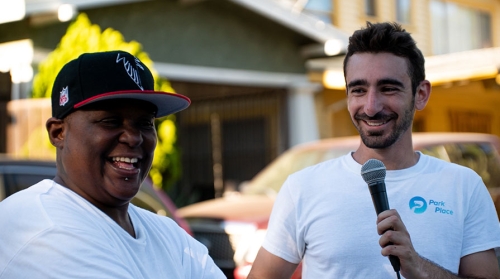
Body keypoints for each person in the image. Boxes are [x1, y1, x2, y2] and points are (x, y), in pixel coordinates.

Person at [248, 22, 500, 279]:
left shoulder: (464, 187)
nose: (370, 107)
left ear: (420, 94)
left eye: (388, 88)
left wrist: (418, 266)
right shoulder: (303, 188)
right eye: (358, 90)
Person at [0, 51, 225, 279]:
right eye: (110, 121)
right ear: (59, 132)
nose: (133, 137)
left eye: (145, 123)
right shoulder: (41, 225)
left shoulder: (168, 235)